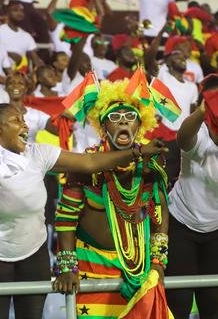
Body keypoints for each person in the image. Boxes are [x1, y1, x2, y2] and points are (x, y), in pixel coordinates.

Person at [0, 102, 167, 319]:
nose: (25, 125)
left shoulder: (37, 154)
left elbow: (90, 163)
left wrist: (137, 153)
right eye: (17, 120)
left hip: (34, 256)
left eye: (24, 120)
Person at [53, 79, 171, 318]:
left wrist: (158, 262)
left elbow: (160, 217)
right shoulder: (85, 166)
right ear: (104, 127)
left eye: (130, 116)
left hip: (139, 272)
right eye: (115, 117)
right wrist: (67, 267)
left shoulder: (150, 166)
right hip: (91, 270)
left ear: (140, 125)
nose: (123, 121)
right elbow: (66, 220)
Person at [165, 75, 218, 319]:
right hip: (182, 225)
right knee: (179, 301)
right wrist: (202, 111)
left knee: (214, 304)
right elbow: (183, 137)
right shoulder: (200, 136)